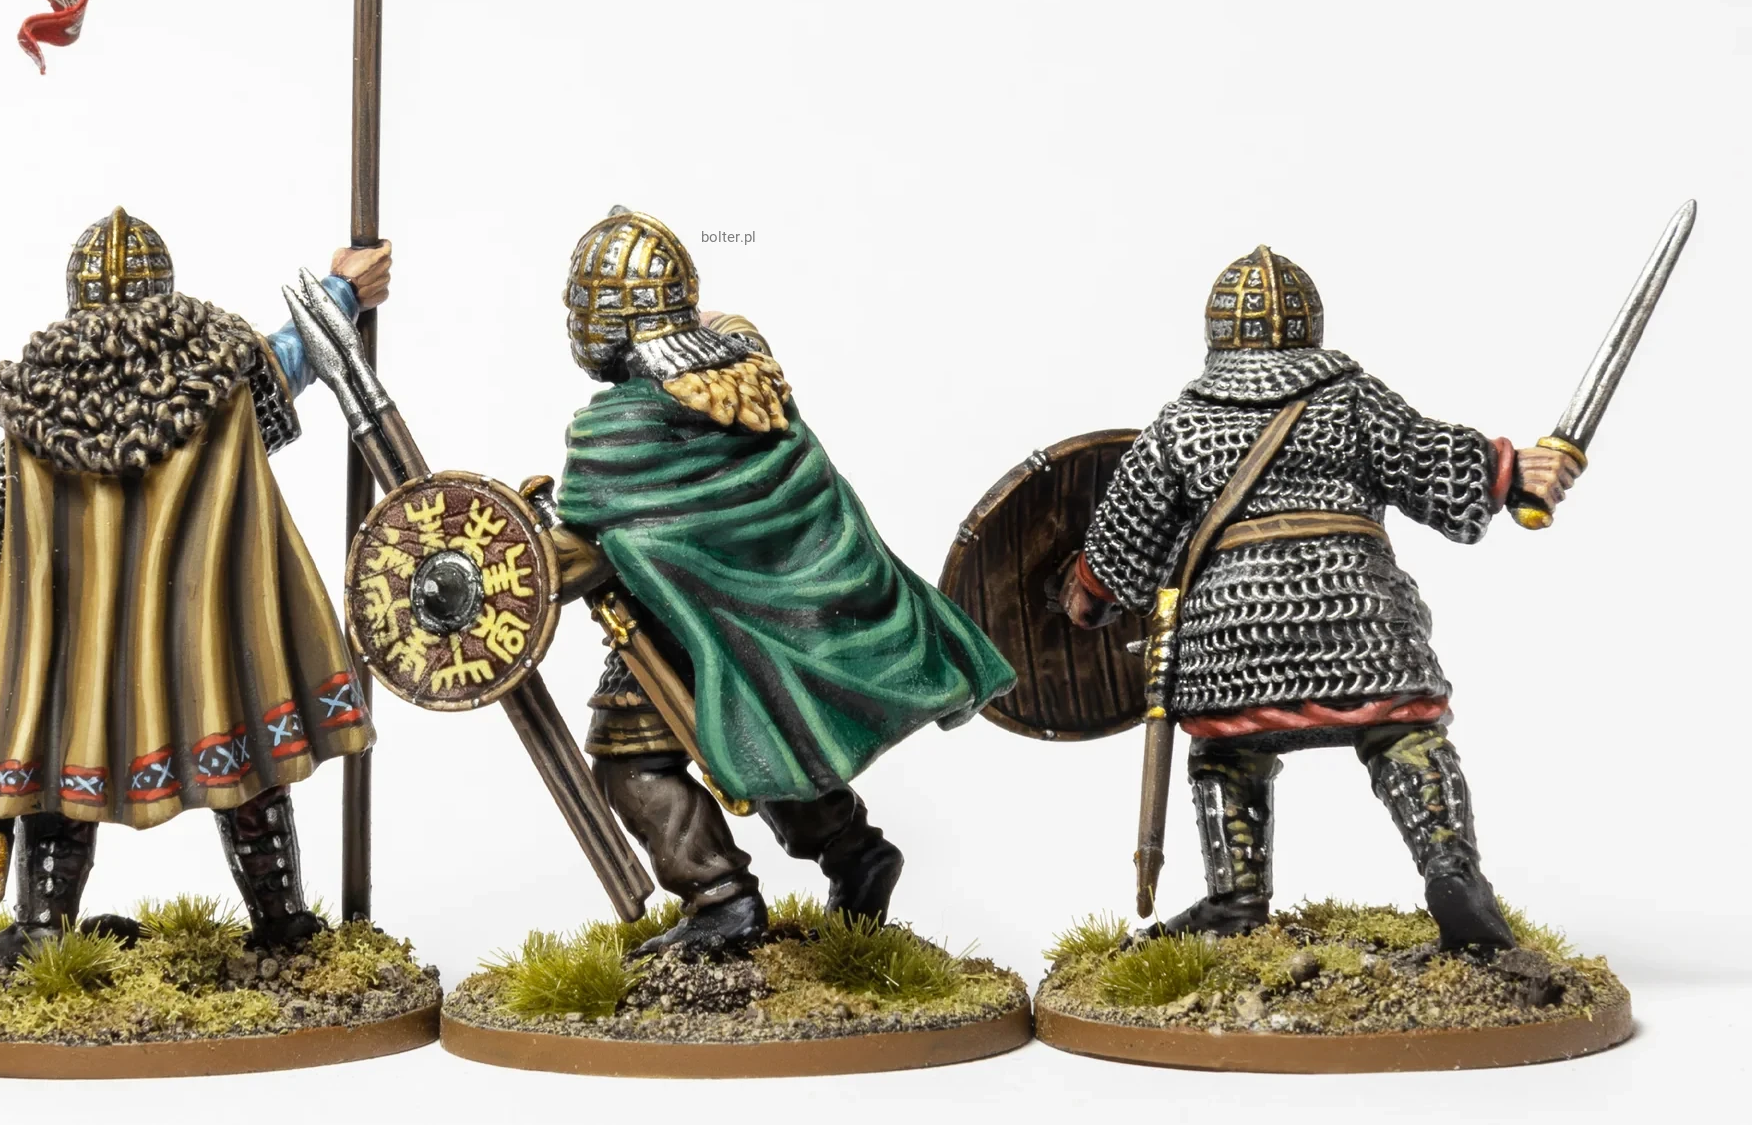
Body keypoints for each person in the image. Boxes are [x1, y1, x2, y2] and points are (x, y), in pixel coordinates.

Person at [1059, 246, 1581, 952]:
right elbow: (1428, 459)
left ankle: (1236, 896)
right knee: (1405, 738)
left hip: (1230, 637)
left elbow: (1123, 542)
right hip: (1362, 622)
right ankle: (1452, 870)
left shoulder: (1181, 423)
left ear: (1217, 332)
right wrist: (1512, 471)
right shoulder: (1353, 398)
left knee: (1226, 756)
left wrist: (1089, 596)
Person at [0, 208, 392, 962]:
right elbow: (298, 353)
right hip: (201, 635)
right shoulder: (221, 379)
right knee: (244, 762)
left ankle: (46, 925)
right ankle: (280, 921)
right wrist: (345, 290)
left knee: (60, 765)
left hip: (82, 646)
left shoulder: (36, 408)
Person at [548, 207, 1015, 954]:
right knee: (771, 733)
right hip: (763, 622)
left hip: (675, 628)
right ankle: (855, 852)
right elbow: (723, 478)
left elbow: (582, 550)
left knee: (631, 757)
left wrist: (526, 555)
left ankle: (720, 899)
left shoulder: (621, 428)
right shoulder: (752, 379)